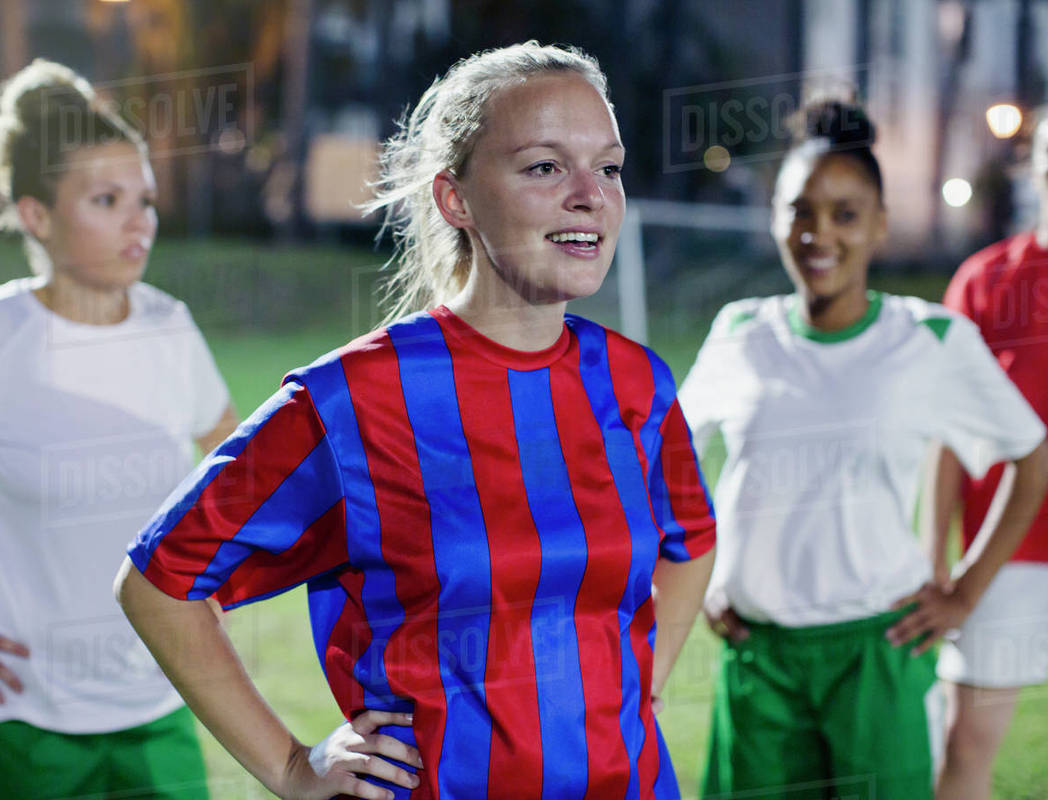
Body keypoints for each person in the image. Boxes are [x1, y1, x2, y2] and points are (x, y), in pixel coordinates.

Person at [116, 41, 716, 800]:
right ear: (454, 199)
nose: (591, 196)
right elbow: (159, 581)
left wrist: (641, 689)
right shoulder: (355, 399)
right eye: (543, 166)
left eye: (608, 166)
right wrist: (293, 767)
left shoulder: (637, 383)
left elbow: (691, 542)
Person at [0, 60, 237, 799]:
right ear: (35, 214)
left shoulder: (168, 325)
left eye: (145, 199)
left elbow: (236, 475)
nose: (140, 221)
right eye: (107, 199)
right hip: (14, 728)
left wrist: (220, 581)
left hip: (159, 716)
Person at [679, 98, 1048, 800]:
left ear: (879, 225)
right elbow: (668, 466)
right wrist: (706, 577)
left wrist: (965, 591)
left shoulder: (929, 339)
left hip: (878, 652)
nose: (821, 233)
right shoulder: (740, 332)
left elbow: (1032, 457)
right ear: (775, 215)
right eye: (801, 210)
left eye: (845, 214)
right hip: (760, 657)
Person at [930, 112, 1048, 800]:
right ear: (1034, 167)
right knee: (965, 745)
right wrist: (934, 558)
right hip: (1002, 556)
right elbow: (946, 436)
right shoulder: (986, 283)